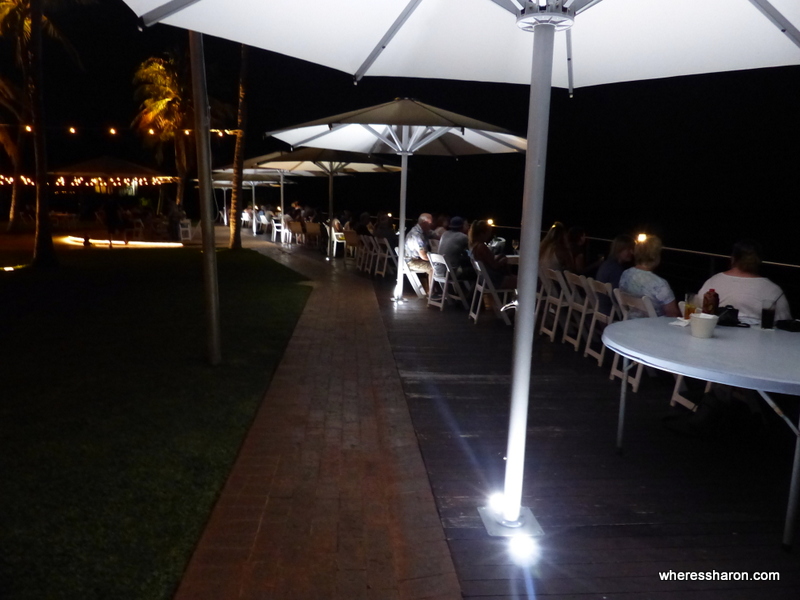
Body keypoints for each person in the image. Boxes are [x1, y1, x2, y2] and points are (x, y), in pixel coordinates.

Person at [698, 239, 791, 325]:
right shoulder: (773, 290)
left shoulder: (714, 281)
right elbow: (784, 323)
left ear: (733, 258)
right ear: (759, 261)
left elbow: (697, 311)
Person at [619, 234, 681, 318]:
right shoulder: (659, 284)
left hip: (631, 324)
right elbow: (673, 314)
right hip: (652, 328)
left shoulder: (625, 274)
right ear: (655, 256)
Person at [469, 220, 516, 289]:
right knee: (525, 281)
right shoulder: (481, 247)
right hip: (494, 281)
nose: (490, 235)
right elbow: (495, 266)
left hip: (485, 281)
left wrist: (499, 256)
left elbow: (489, 262)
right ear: (482, 233)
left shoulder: (474, 246)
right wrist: (503, 260)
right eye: (488, 233)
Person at [594, 234, 635, 315]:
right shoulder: (616, 270)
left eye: (632, 249)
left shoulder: (606, 264)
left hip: (601, 309)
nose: (631, 252)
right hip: (612, 312)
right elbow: (618, 298)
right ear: (619, 250)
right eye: (628, 249)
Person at [404, 212, 435, 279]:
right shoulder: (417, 235)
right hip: (412, 262)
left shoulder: (421, 230)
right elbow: (423, 256)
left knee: (436, 266)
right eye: (430, 223)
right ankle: (431, 289)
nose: (431, 225)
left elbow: (434, 234)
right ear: (424, 223)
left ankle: (433, 288)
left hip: (413, 259)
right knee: (434, 268)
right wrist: (437, 260)